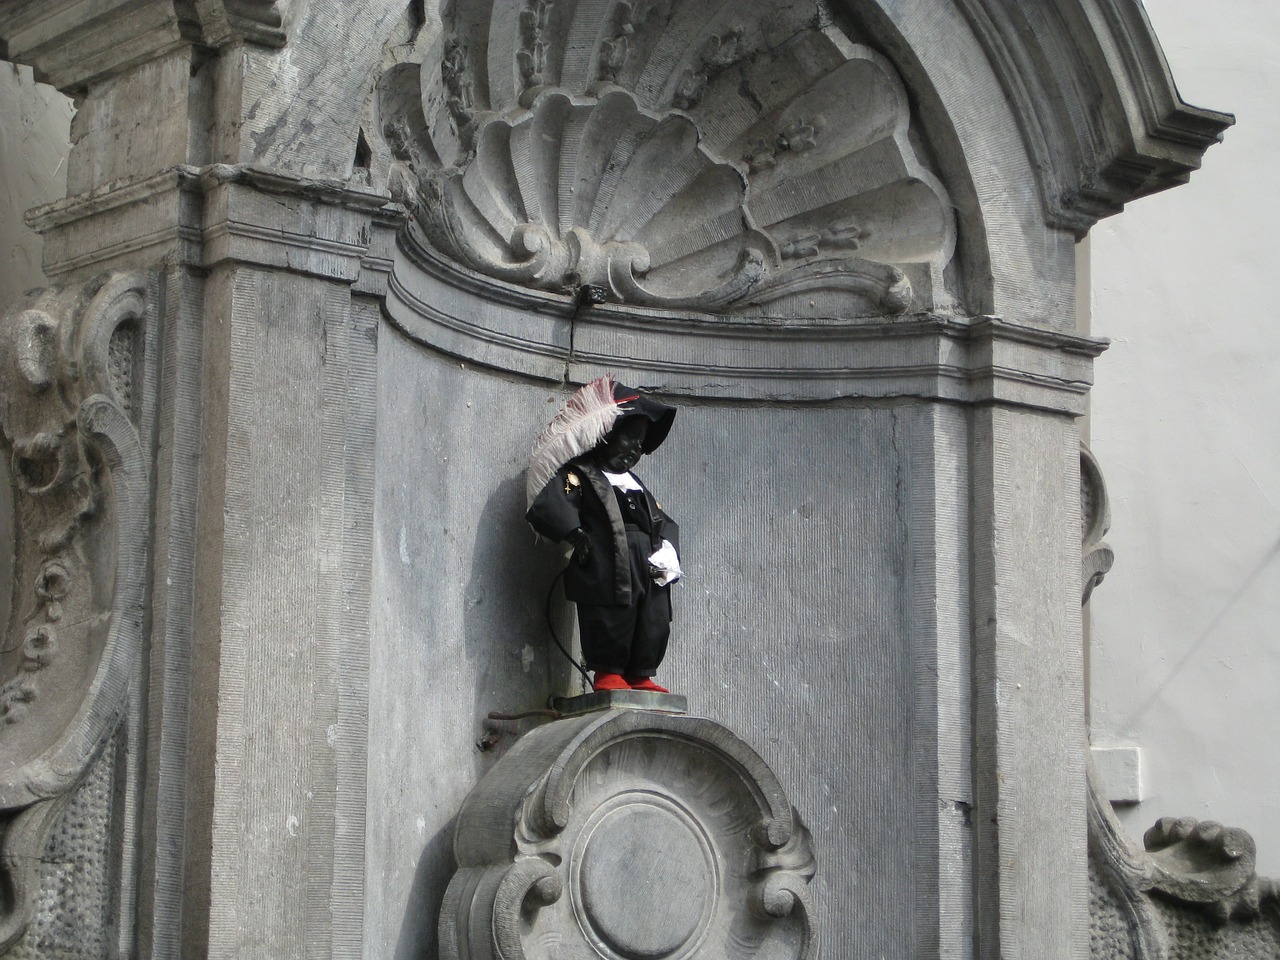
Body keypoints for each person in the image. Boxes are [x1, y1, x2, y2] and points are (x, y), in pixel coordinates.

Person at [525, 377, 682, 692]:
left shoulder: (637, 485)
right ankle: (608, 670)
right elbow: (551, 502)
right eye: (629, 439)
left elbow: (663, 521)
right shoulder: (581, 475)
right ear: (606, 435)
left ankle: (640, 671)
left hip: (647, 567)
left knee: (651, 617)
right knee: (611, 614)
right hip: (607, 562)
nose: (635, 449)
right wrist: (574, 531)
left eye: (640, 444)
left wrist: (667, 548)